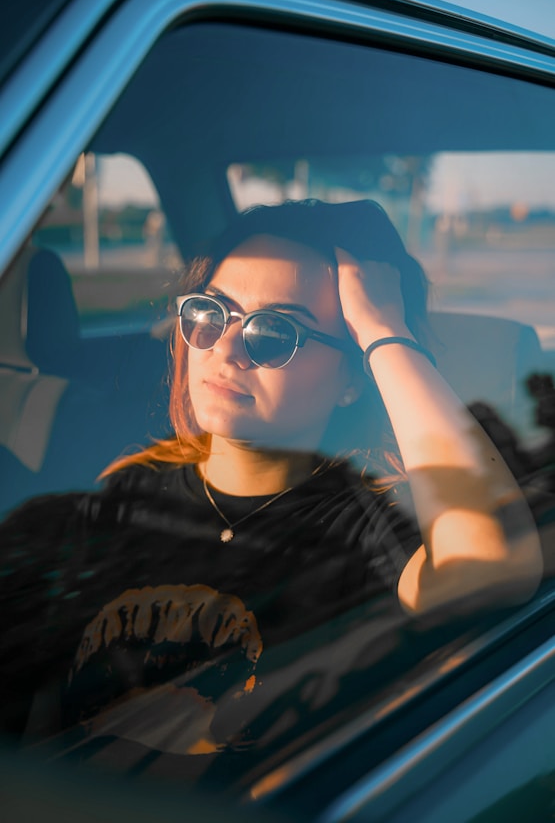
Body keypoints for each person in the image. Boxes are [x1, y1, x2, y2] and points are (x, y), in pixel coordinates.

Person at [0, 199, 543, 759]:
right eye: (210, 313)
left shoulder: (363, 525)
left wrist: (385, 332)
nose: (226, 349)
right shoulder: (126, 491)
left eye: (276, 332)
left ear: (352, 378)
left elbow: (490, 568)